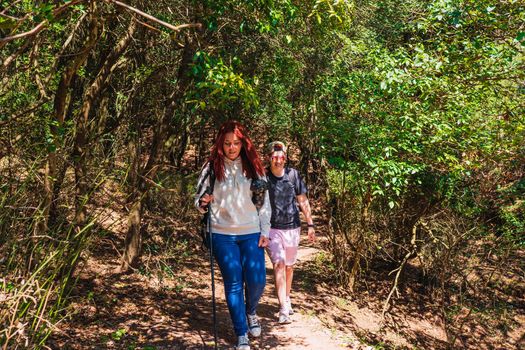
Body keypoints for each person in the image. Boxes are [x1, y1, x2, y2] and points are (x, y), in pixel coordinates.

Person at [194, 120, 271, 350]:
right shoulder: (211, 167)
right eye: (227, 143)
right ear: (220, 144)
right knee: (234, 282)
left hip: (251, 231)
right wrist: (203, 202)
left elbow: (264, 203)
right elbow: (198, 200)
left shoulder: (254, 167)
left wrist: (265, 231)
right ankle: (241, 334)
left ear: (243, 143)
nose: (231, 147)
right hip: (222, 233)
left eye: (236, 143)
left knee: (257, 280)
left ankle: (251, 312)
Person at [265, 141, 316, 324]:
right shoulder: (264, 177)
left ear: (285, 158)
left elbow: (302, 200)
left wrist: (310, 225)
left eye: (281, 157)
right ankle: (283, 309)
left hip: (293, 227)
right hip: (272, 228)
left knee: (289, 266)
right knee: (278, 264)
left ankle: (287, 297)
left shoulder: (293, 175)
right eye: (275, 157)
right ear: (269, 157)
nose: (278, 160)